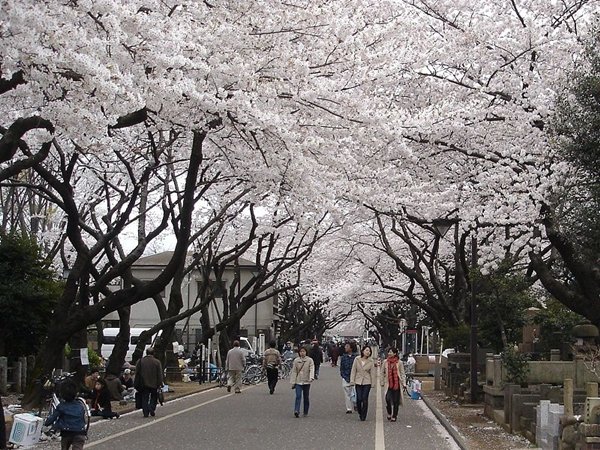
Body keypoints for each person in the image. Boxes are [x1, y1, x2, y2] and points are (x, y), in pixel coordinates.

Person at [44, 379, 87, 449]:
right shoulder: (80, 405)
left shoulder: (61, 406)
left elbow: (52, 418)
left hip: (67, 432)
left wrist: (46, 424)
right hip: (80, 431)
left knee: (64, 447)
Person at [135, 347, 164, 417]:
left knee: (145, 397)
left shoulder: (140, 361)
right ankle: (151, 407)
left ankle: (145, 412)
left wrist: (136, 382)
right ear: (153, 353)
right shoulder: (157, 362)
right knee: (154, 396)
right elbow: (159, 374)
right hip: (154, 383)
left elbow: (137, 373)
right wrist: (160, 383)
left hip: (143, 383)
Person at [381, 347, 406, 422]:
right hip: (388, 384)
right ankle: (389, 412)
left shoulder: (399, 362)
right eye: (389, 352)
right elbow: (382, 372)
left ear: (395, 353)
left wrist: (404, 383)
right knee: (387, 399)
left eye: (391, 352)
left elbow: (402, 373)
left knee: (396, 401)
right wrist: (381, 381)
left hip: (397, 384)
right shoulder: (385, 362)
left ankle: (394, 416)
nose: (389, 353)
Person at [350, 345, 376, 421]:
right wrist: (352, 380)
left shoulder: (371, 361)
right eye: (366, 350)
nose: (368, 352)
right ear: (362, 351)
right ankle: (360, 411)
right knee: (359, 399)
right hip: (358, 380)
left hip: (367, 381)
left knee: (365, 398)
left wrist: (373, 383)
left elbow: (372, 373)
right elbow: (353, 370)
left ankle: (364, 415)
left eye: (369, 351)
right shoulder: (357, 359)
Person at [289, 346, 314, 417]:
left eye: (304, 351)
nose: (302, 353)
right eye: (301, 351)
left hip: (306, 381)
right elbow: (294, 371)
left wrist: (311, 377)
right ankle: (296, 410)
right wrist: (293, 381)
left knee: (306, 397)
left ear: (306, 352)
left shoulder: (309, 360)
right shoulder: (296, 360)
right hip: (298, 381)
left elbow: (311, 368)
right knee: (298, 396)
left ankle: (305, 411)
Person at [340, 342, 357, 414]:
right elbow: (342, 368)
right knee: (347, 393)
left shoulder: (356, 357)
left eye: (347, 346)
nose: (345, 348)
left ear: (351, 348)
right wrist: (344, 375)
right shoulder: (343, 357)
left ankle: (356, 404)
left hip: (355, 378)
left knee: (355, 393)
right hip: (346, 377)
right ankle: (349, 408)